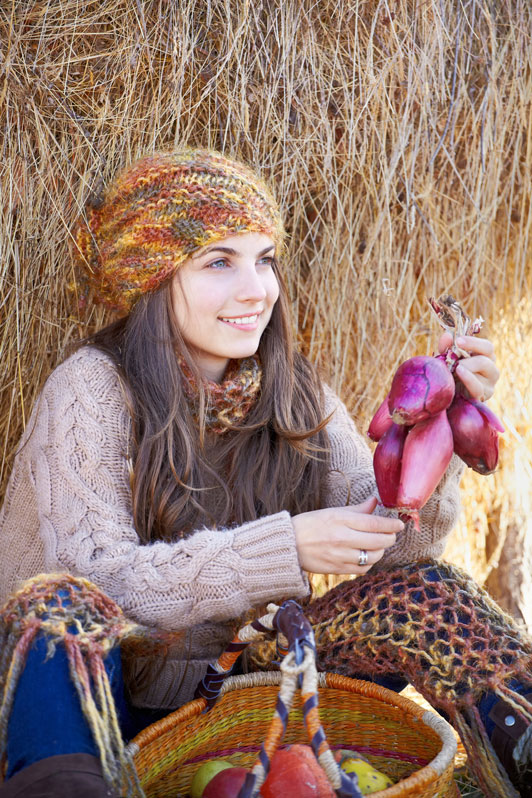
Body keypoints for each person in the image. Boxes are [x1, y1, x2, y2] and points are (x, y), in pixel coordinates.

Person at [0, 148, 529, 798]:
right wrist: (287, 548)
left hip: (235, 685)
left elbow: (403, 547)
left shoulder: (290, 392)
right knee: (58, 605)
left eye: (263, 258)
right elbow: (96, 577)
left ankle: (524, 745)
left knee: (422, 591)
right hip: (94, 706)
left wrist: (436, 436)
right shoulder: (90, 389)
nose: (257, 289)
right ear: (154, 280)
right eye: (219, 262)